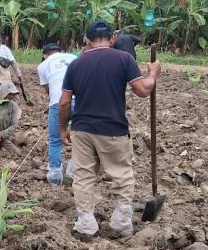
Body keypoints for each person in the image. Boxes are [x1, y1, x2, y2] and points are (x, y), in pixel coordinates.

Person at [59, 20, 161, 236]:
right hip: (113, 128)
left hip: (82, 129)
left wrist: (62, 128)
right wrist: (153, 74)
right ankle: (121, 222)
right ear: (113, 39)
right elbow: (143, 91)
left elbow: (64, 102)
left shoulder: (76, 64)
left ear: (86, 40)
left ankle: (86, 223)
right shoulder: (123, 58)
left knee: (83, 176)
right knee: (121, 175)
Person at [37, 43, 77, 185]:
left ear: (44, 55)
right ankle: (74, 172)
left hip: (58, 102)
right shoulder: (74, 57)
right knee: (81, 137)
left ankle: (55, 177)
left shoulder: (43, 65)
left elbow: (48, 89)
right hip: (80, 101)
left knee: (55, 139)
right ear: (61, 51)